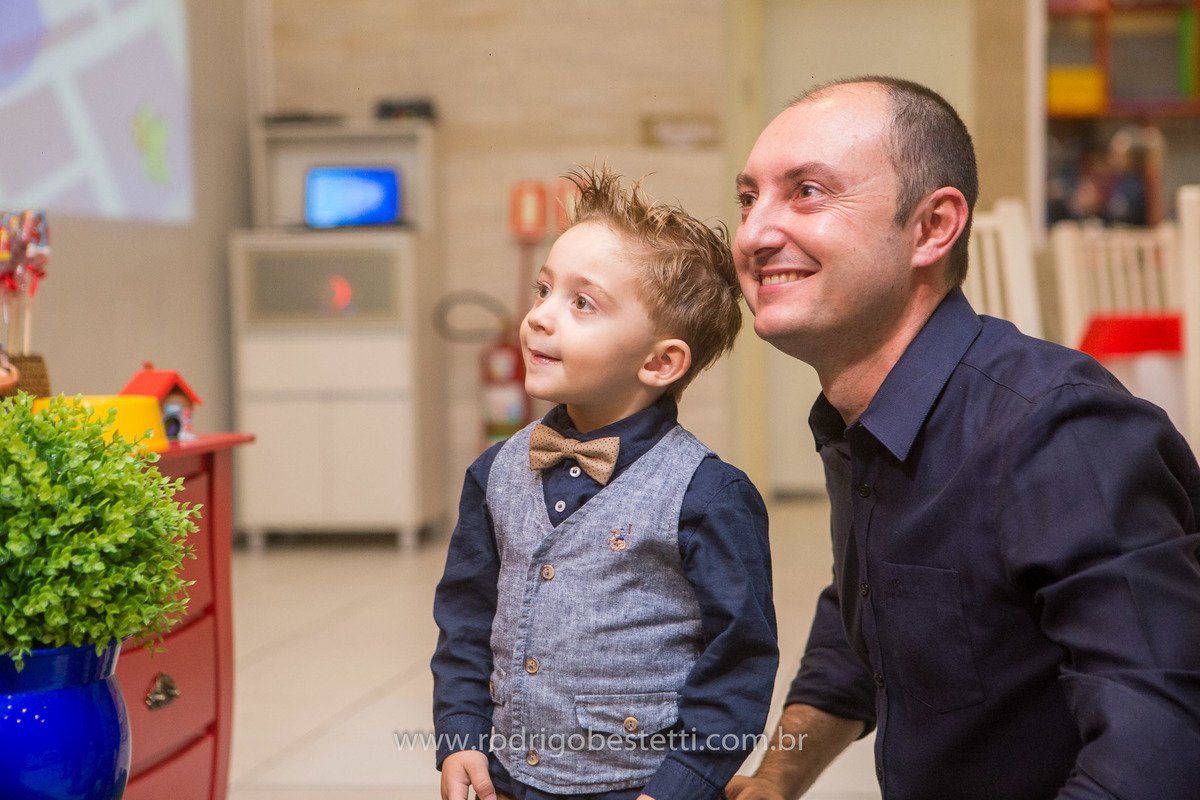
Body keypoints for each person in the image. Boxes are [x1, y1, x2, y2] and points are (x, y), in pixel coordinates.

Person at [725, 76, 1200, 800]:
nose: (754, 233)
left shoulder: (1057, 431)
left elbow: (1163, 742)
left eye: (807, 192)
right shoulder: (862, 421)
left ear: (932, 227)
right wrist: (778, 775)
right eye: (748, 198)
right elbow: (868, 612)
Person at [432, 165, 778, 800]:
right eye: (543, 290)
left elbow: (738, 665)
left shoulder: (708, 496)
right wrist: (461, 735)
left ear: (659, 361)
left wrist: (680, 787)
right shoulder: (496, 472)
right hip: (506, 780)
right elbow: (465, 617)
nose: (539, 317)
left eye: (581, 302)